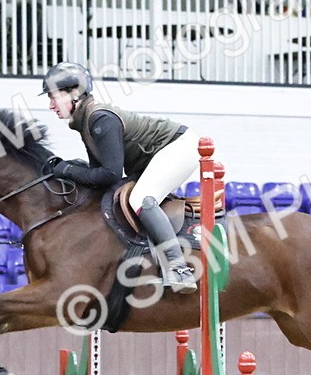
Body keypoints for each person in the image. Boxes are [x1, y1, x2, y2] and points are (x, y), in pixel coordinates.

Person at [40, 62, 198, 294]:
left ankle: (178, 267)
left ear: (75, 93)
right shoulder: (85, 122)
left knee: (141, 199)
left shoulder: (100, 119)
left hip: (180, 147)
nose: (51, 105)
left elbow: (110, 174)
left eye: (54, 97)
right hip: (156, 156)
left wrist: (67, 170)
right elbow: (100, 176)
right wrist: (68, 168)